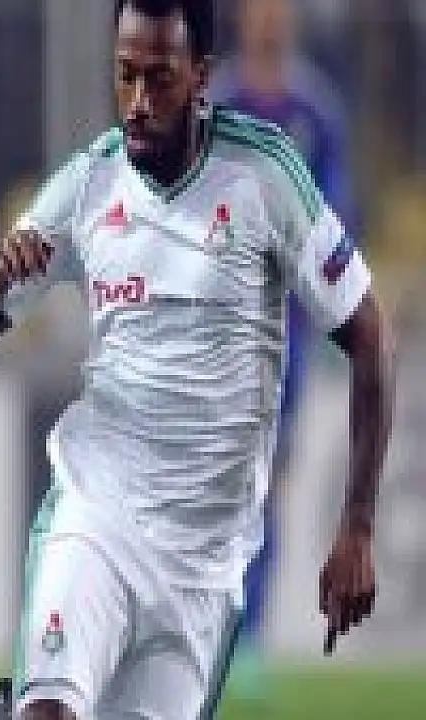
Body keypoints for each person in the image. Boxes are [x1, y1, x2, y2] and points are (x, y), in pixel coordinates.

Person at [0, 1, 394, 718]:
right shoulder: (88, 183)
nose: (138, 101)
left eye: (160, 79)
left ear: (201, 76)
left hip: (202, 573)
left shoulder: (264, 175)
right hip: (98, 519)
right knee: (50, 709)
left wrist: (358, 526)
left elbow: (371, 337)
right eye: (125, 76)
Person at [209, 0, 356, 698]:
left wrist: (332, 313)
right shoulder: (218, 105)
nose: (268, 20)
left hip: (285, 337)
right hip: (218, 332)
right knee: (211, 486)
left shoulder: (316, 113)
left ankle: (248, 637)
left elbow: (337, 217)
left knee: (263, 488)